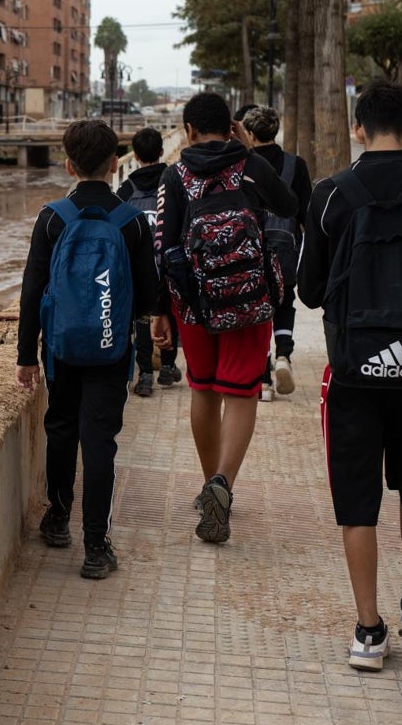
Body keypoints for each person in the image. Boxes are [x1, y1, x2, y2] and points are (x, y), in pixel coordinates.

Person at [297, 80, 402, 671]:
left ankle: (368, 632)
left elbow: (310, 293)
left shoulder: (330, 196)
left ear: (358, 129)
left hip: (352, 372)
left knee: (356, 496)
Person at [150, 92, 297, 544]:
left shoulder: (175, 175)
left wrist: (161, 312)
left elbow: (164, 245)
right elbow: (289, 206)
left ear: (188, 130)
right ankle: (224, 484)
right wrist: (250, 153)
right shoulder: (250, 166)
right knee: (241, 393)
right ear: (232, 126)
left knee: (204, 389)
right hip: (250, 301)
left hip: (194, 303)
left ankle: (207, 482)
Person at [16, 119, 158, 579]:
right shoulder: (132, 222)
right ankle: (96, 547)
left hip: (60, 349)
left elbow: (32, 289)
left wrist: (24, 355)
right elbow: (148, 297)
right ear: (117, 164)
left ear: (68, 164)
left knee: (60, 429)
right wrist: (149, 338)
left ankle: (57, 518)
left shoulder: (52, 217)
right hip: (110, 349)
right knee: (100, 443)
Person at [240, 106, 313, 402]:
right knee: (284, 300)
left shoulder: (244, 165)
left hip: (251, 246)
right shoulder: (296, 164)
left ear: (251, 133)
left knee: (256, 309)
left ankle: (263, 380)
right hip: (285, 246)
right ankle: (283, 354)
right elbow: (305, 213)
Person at [117, 126, 182, 397]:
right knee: (170, 311)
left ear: (135, 153)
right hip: (169, 262)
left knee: (143, 317)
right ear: (160, 151)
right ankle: (167, 367)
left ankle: (144, 374)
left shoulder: (126, 188)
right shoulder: (174, 180)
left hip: (138, 266)